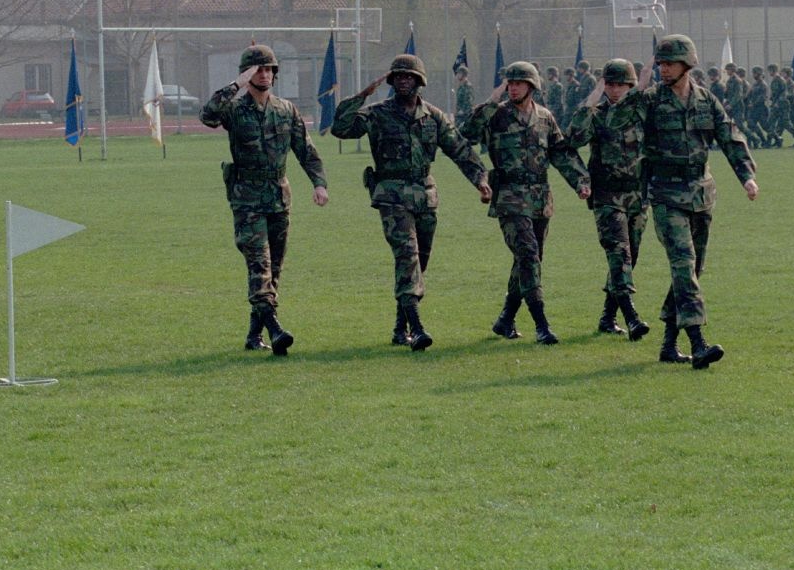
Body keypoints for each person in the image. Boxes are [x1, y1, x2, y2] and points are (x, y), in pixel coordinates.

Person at [610, 35, 758, 369]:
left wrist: (746, 175)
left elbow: (729, 135)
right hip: (665, 192)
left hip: (701, 192)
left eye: (669, 63)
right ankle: (698, 342)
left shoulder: (706, 100)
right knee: (682, 262)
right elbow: (615, 122)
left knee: (692, 270)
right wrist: (638, 87)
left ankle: (667, 345)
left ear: (687, 64)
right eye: (660, 63)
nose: (663, 69)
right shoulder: (648, 101)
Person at [331, 54, 491, 351]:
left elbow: (460, 150)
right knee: (407, 255)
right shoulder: (376, 113)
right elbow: (340, 127)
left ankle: (399, 326)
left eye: (409, 77)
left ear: (419, 81)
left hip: (425, 197)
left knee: (420, 261)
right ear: (391, 82)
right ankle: (417, 328)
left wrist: (481, 180)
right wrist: (362, 95)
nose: (403, 81)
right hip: (391, 194)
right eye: (398, 77)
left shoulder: (434, 117)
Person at [200, 44, 329, 355]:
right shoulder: (234, 108)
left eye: (269, 69)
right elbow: (207, 115)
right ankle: (275, 329)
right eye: (258, 69)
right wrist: (236, 85)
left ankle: (254, 335)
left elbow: (305, 149)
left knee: (274, 270)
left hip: (278, 197)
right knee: (260, 264)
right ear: (247, 73)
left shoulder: (286, 110)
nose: (265, 74)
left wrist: (319, 184)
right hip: (247, 198)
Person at [460, 61, 590, 345]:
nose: (514, 87)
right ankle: (541, 325)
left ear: (532, 86)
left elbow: (561, 153)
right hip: (508, 197)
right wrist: (491, 102)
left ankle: (506, 318)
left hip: (540, 199)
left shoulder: (544, 117)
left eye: (519, 82)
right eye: (510, 82)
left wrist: (580, 181)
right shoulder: (496, 115)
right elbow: (466, 132)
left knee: (528, 260)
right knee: (528, 255)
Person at [568, 59, 651, 341]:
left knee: (631, 256)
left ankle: (607, 317)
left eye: (621, 85)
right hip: (606, 194)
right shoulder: (597, 114)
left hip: (637, 195)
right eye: (610, 84)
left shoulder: (640, 112)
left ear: (630, 86)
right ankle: (632, 317)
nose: (615, 90)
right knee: (619, 252)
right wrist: (592, 98)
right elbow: (574, 137)